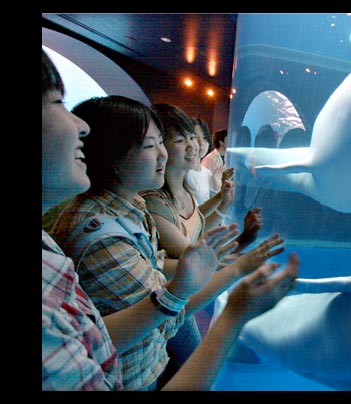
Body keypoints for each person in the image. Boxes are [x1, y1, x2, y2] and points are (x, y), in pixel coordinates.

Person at [45, 87, 297, 390]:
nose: (168, 151)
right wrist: (235, 280)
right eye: (153, 145)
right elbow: (164, 310)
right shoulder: (105, 233)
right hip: (132, 377)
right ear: (112, 155)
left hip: (146, 361)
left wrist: (225, 254)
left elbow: (155, 265)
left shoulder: (131, 206)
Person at [140, 103, 273, 386]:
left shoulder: (183, 189)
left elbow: (197, 231)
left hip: (179, 300)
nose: (193, 145)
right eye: (180, 139)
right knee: (192, 368)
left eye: (193, 137)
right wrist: (239, 252)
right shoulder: (154, 201)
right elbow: (191, 256)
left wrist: (236, 228)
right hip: (168, 303)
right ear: (160, 148)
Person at [201, 128, 228, 195]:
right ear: (221, 142)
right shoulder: (209, 159)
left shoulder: (229, 157)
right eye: (228, 139)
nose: (231, 142)